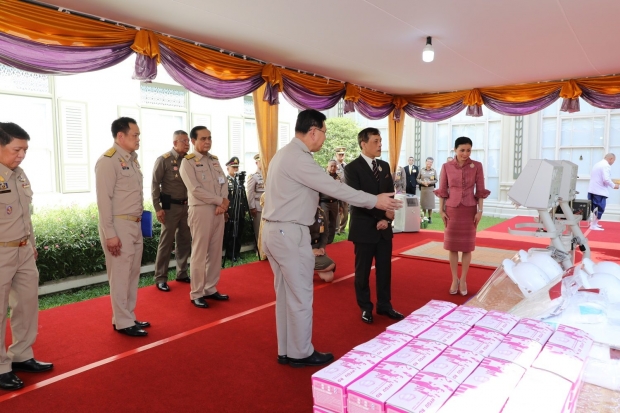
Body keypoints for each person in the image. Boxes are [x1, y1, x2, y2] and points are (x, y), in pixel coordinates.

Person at [262, 109, 401, 368]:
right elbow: (334, 188)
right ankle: (300, 353)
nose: (324, 139)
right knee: (301, 295)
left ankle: (287, 349)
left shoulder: (285, 153)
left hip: (276, 231)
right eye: (324, 133)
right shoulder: (299, 158)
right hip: (289, 232)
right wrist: (375, 201)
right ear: (313, 131)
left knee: (286, 295)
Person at [0, 123, 53, 391]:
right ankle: (0, 367)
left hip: (22, 250)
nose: (21, 155)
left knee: (27, 304)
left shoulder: (19, 175)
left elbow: (25, 215)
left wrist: (30, 243)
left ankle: (22, 354)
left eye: (25, 150)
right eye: (16, 149)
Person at [95, 117, 150, 337]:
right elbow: (103, 201)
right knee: (119, 274)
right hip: (118, 224)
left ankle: (127, 315)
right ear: (121, 136)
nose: (138, 139)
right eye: (135, 135)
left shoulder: (132, 160)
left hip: (134, 224)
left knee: (131, 273)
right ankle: (123, 321)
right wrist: (110, 234)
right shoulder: (108, 161)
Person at [345, 127, 404, 325]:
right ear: (363, 143)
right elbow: (356, 199)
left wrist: (386, 220)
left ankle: (385, 305)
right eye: (376, 141)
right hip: (364, 228)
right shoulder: (352, 168)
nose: (380, 145)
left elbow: (389, 194)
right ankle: (365, 308)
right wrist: (378, 217)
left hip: (384, 227)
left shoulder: (384, 166)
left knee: (385, 269)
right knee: (362, 272)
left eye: (380, 141)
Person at [179, 126, 230, 309]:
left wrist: (223, 203)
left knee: (215, 252)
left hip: (218, 210)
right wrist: (219, 201)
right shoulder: (188, 162)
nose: (207, 142)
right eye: (203, 139)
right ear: (193, 141)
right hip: (201, 211)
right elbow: (195, 190)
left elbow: (223, 182)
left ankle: (210, 288)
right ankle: (197, 293)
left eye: (209, 138)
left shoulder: (214, 160)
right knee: (200, 253)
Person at [434, 137, 490, 296]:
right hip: (452, 210)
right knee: (452, 247)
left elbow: (480, 190)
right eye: (462, 150)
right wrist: (441, 209)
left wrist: (480, 210)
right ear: (455, 150)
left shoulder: (477, 166)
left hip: (470, 210)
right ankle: (454, 279)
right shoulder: (446, 167)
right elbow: (443, 190)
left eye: (468, 150)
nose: (465, 153)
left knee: (467, 247)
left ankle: (463, 279)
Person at [151, 130, 192, 292]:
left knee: (184, 240)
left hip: (187, 206)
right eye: (184, 141)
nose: (188, 144)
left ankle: (181, 273)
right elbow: (154, 184)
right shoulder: (164, 160)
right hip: (169, 207)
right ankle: (160, 277)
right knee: (166, 243)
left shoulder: (189, 160)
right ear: (175, 143)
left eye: (188, 141)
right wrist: (157, 208)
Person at [587, 153, 619, 231]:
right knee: (600, 208)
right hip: (599, 191)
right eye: (613, 161)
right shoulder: (606, 166)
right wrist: (613, 185)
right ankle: (593, 225)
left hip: (593, 190)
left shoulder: (597, 164)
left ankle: (594, 223)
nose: (613, 163)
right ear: (611, 159)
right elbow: (606, 179)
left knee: (595, 208)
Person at [224, 156, 247, 262]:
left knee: (239, 233)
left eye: (237, 167)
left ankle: (237, 252)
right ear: (228, 168)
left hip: (240, 211)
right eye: (234, 167)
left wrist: (245, 209)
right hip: (232, 211)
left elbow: (243, 196)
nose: (236, 169)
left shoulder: (239, 181)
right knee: (231, 233)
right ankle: (230, 254)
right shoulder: (225, 181)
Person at [310, 206, 335, 283]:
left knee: (329, 277)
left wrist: (321, 248)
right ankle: (302, 268)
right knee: (330, 265)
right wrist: (311, 251)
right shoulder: (301, 212)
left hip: (317, 247)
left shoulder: (321, 212)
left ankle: (308, 268)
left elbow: (325, 233)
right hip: (304, 248)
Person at [319, 160, 341, 244]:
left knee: (333, 223)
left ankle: (330, 241)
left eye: (335, 166)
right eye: (331, 166)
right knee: (325, 222)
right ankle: (323, 240)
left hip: (335, 203)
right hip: (324, 203)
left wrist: (341, 205)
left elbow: (341, 192)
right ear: (327, 167)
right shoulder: (322, 177)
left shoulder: (338, 177)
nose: (333, 168)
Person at [246, 153, 264, 243]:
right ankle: (258, 249)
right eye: (261, 161)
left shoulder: (269, 174)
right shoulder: (253, 176)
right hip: (258, 206)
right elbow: (250, 193)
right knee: (258, 228)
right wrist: (252, 207)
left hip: (268, 207)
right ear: (257, 163)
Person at [417, 157, 437, 223]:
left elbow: (436, 180)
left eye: (431, 162)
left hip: (430, 189)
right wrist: (422, 182)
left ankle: (430, 217)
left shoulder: (433, 171)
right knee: (424, 205)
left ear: (432, 163)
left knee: (430, 205)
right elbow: (417, 179)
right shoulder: (422, 170)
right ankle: (424, 217)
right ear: (426, 162)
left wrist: (430, 182)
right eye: (428, 162)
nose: (429, 163)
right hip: (423, 189)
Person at [334, 146, 349, 234]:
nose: (341, 156)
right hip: (336, 191)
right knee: (337, 210)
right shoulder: (333, 165)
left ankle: (342, 229)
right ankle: (336, 230)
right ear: (336, 155)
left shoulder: (347, 166)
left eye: (343, 154)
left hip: (345, 191)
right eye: (339, 154)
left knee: (345, 211)